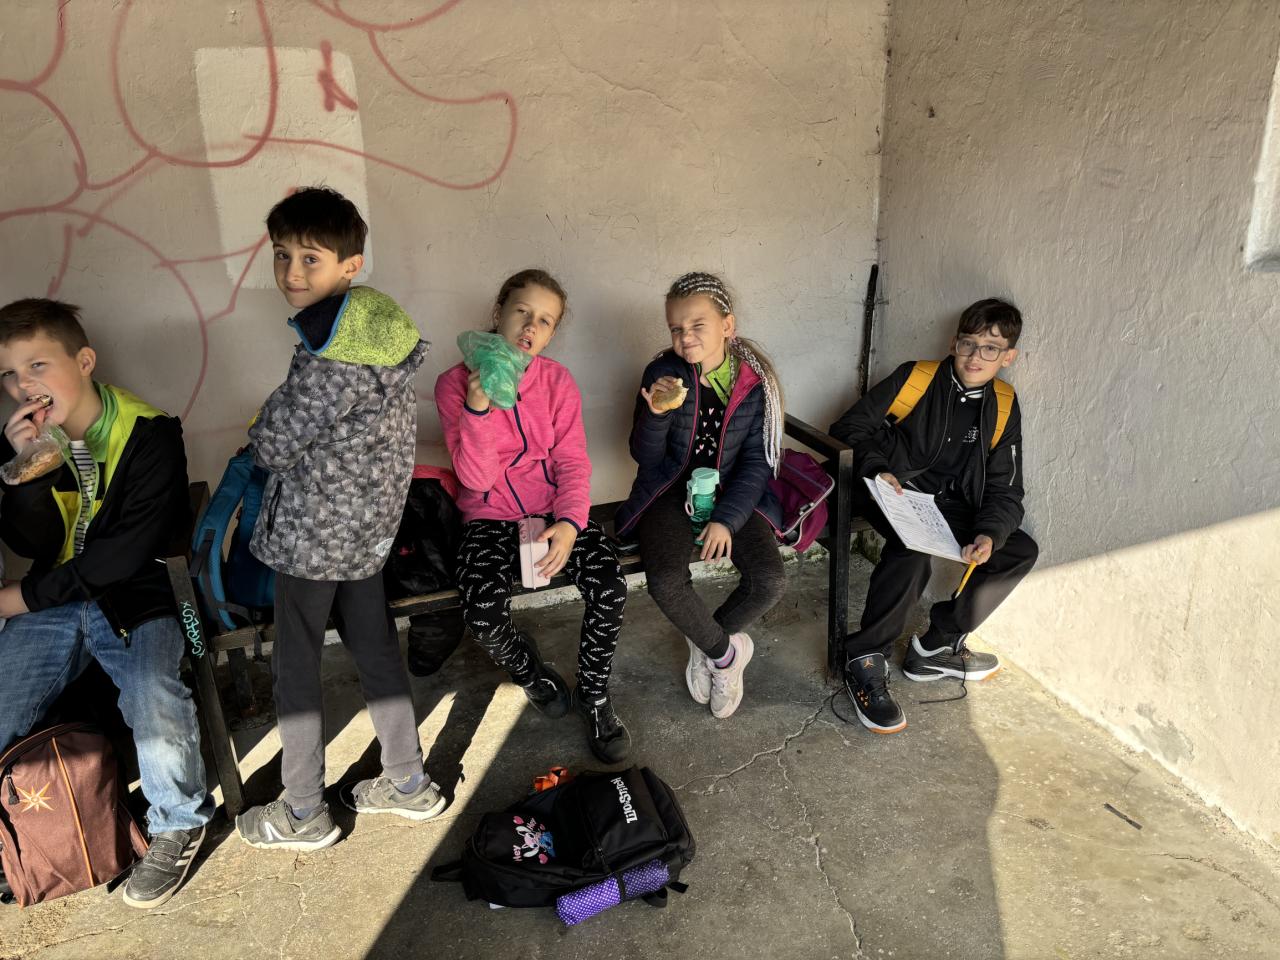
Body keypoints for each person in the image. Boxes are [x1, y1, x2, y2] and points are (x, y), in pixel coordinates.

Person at [234, 187, 443, 851]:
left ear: (350, 265)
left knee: (295, 664)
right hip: (366, 529)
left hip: (313, 535)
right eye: (282, 255)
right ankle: (408, 782)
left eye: (311, 258)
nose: (292, 272)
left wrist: (264, 423)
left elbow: (274, 444)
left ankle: (302, 811)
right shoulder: (377, 327)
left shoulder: (332, 353)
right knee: (373, 643)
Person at [0, 297, 213, 908]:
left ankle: (179, 823)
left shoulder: (150, 432)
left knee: (151, 688)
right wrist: (27, 473)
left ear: (85, 361)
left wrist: (20, 598)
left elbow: (123, 557)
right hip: (58, 596)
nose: (24, 386)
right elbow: (31, 543)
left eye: (38, 365)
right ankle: (16, 836)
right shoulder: (29, 440)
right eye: (10, 373)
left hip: (137, 593)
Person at [434, 269, 630, 763]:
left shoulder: (557, 381)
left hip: (554, 510)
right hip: (489, 517)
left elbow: (573, 462)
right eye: (522, 312)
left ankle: (594, 693)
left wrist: (569, 524)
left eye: (545, 320)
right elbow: (475, 479)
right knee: (482, 615)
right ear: (499, 311)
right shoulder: (454, 383)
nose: (530, 327)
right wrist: (477, 410)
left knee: (610, 585)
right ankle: (530, 672)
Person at [828, 298, 1038, 734]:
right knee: (913, 550)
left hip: (947, 506)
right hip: (891, 490)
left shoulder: (1003, 404)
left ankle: (935, 645)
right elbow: (849, 428)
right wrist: (877, 469)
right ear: (953, 342)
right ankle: (865, 658)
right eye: (968, 343)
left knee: (1017, 549)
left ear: (1008, 357)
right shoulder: (917, 377)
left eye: (991, 348)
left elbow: (1006, 488)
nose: (975, 356)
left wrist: (989, 533)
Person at [614, 271, 786, 719]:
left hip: (731, 492)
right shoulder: (663, 374)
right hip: (668, 491)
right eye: (675, 328)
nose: (685, 337)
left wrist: (726, 519)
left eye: (697, 325)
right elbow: (645, 458)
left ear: (727, 326)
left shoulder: (753, 382)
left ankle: (706, 640)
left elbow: (756, 462)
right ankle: (725, 655)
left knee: (769, 580)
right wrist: (655, 414)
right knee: (666, 580)